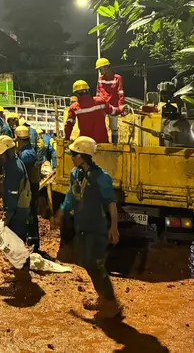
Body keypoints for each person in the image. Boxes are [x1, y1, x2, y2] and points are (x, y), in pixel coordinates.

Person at [53, 136, 122, 318]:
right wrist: (61, 212)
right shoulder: (76, 174)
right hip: (82, 226)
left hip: (97, 227)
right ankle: (103, 297)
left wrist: (114, 227)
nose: (71, 157)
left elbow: (111, 203)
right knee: (88, 263)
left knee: (95, 263)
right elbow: (70, 196)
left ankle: (111, 302)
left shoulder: (101, 177)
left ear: (83, 156)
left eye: (74, 155)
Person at [0, 136, 32, 245]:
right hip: (20, 207)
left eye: (1, 155)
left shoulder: (13, 169)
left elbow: (12, 196)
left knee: (17, 242)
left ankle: (20, 262)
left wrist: (7, 216)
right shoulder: (14, 162)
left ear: (8, 153)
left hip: (17, 210)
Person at [65, 80, 122, 145]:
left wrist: (67, 138)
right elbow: (114, 111)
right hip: (102, 141)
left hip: (85, 143)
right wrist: (121, 109)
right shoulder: (101, 101)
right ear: (88, 90)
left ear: (76, 93)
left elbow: (69, 125)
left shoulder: (74, 107)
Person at [15, 126, 42, 250]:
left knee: (29, 214)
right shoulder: (28, 151)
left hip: (29, 188)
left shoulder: (26, 155)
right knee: (30, 214)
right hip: (31, 186)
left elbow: (21, 173)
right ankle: (31, 242)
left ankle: (33, 244)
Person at [96, 58, 125, 144]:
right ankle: (103, 144)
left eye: (100, 69)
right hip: (102, 106)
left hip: (113, 106)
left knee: (114, 128)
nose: (100, 71)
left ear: (106, 67)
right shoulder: (100, 79)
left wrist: (120, 106)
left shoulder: (117, 78)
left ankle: (114, 145)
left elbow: (120, 93)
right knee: (100, 126)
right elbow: (98, 93)